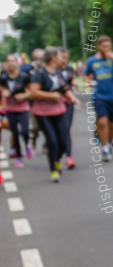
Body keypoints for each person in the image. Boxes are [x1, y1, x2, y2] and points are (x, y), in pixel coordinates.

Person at [27, 47, 70, 182]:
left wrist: (72, 97)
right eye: (59, 56)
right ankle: (53, 169)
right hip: (43, 112)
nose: (62, 58)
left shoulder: (59, 73)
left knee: (63, 142)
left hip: (58, 110)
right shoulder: (39, 74)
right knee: (52, 140)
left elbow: (64, 88)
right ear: (53, 58)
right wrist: (51, 95)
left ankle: (57, 159)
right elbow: (33, 92)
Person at [84, 36, 113, 161]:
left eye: (109, 46)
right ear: (99, 46)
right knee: (102, 122)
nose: (106, 49)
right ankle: (104, 148)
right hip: (99, 95)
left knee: (112, 124)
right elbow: (86, 74)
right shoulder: (92, 61)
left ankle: (110, 143)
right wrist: (89, 81)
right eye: (104, 46)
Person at [1, 55, 32, 168]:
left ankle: (27, 144)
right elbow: (2, 88)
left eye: (13, 61)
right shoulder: (4, 77)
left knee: (24, 131)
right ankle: (19, 156)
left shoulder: (24, 76)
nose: (11, 63)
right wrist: (5, 93)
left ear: (17, 62)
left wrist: (24, 95)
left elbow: (31, 91)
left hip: (23, 107)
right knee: (15, 133)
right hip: (10, 108)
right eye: (8, 61)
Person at [56, 47, 80, 169]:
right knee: (59, 131)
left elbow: (71, 82)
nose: (64, 60)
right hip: (55, 104)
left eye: (66, 58)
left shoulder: (70, 69)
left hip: (68, 102)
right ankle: (57, 156)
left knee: (66, 129)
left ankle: (69, 157)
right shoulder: (52, 71)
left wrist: (78, 84)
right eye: (62, 57)